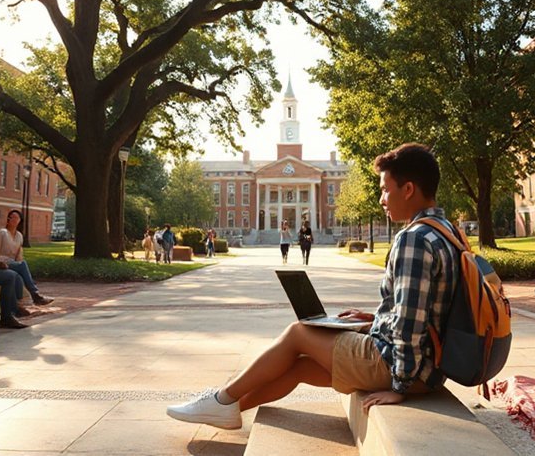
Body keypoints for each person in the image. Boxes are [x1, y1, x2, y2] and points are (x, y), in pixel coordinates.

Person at [167, 143, 457, 429]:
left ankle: (220, 398)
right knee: (301, 366)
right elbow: (421, 309)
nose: (382, 198)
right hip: (429, 368)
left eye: (385, 189)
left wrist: (400, 387)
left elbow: (410, 324)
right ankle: (230, 409)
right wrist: (375, 320)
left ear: (407, 190)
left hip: (404, 369)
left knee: (299, 332)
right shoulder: (446, 233)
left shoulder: (414, 239)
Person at [0, 209, 54, 314]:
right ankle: (35, 294)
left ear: (20, 220)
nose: (13, 219)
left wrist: (17, 262)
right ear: (8, 219)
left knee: (18, 276)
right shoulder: (1, 233)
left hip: (14, 265)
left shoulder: (19, 236)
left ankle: (18, 305)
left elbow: (18, 256)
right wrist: (6, 262)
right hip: (0, 263)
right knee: (22, 264)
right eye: (11, 217)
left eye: (16, 217)